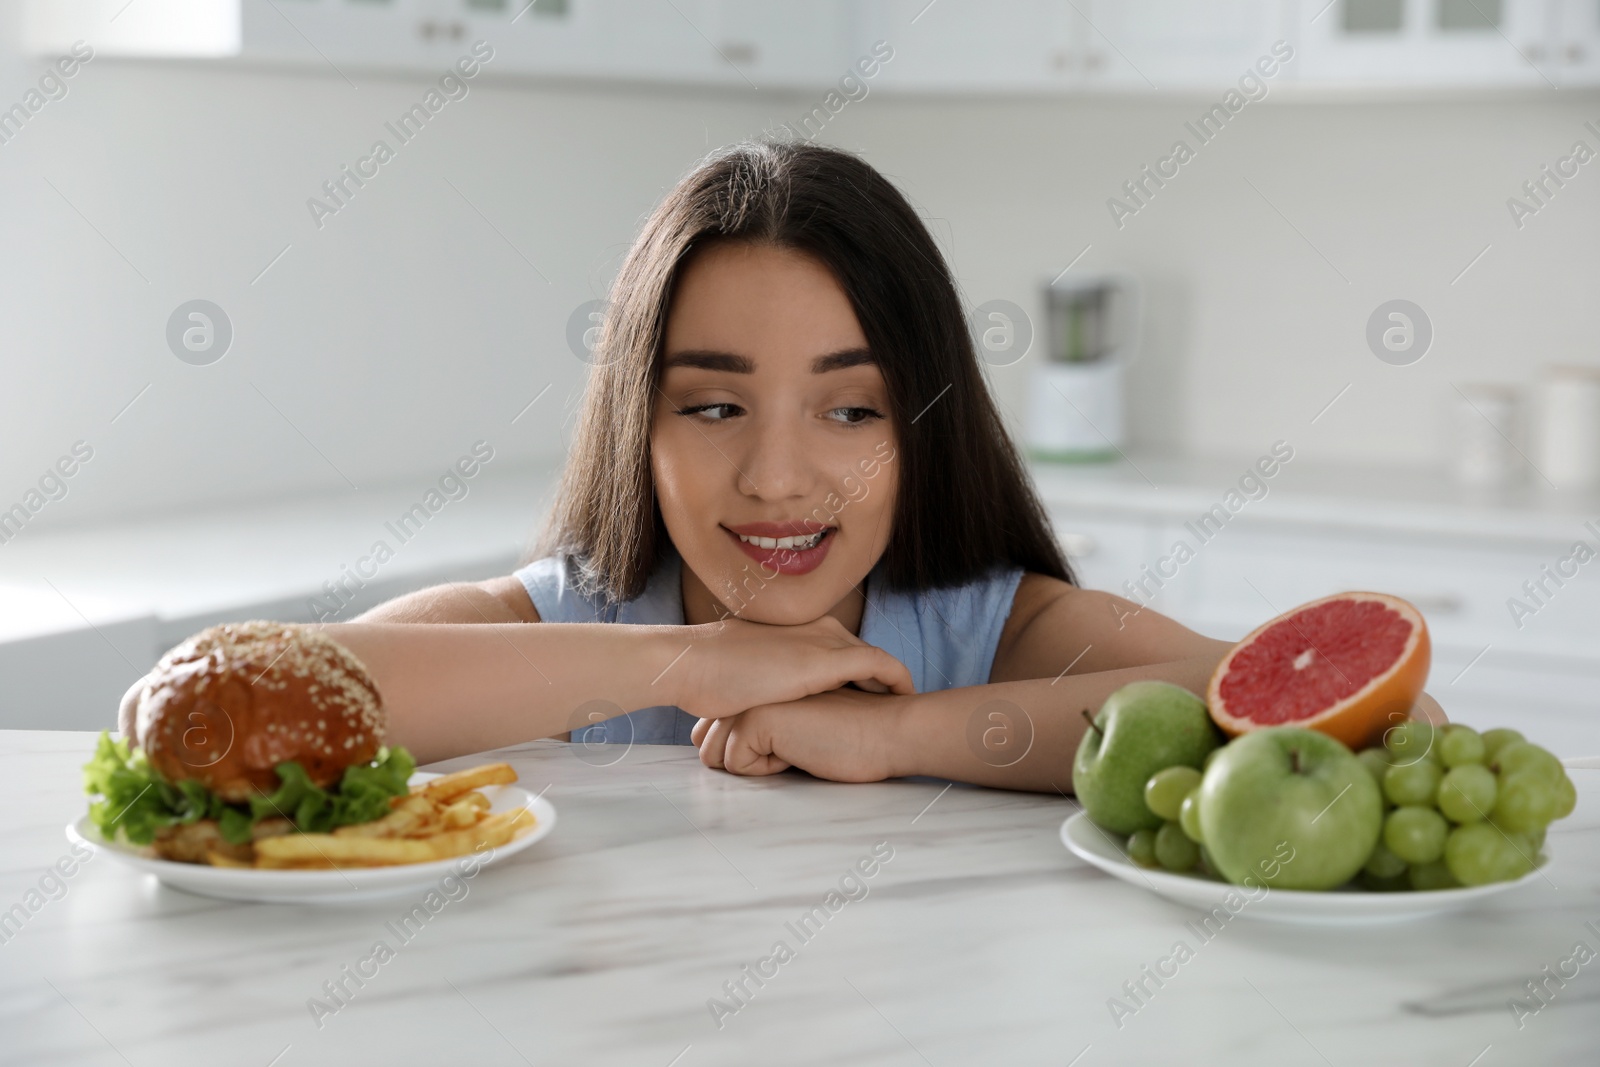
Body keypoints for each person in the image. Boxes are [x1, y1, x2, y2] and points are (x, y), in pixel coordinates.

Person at [118, 141, 1440, 791]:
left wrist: (901, 735)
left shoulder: (991, 628)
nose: (775, 479)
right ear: (638, 424)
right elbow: (237, 706)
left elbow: (1380, 720)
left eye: (851, 413)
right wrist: (679, 665)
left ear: (925, 426)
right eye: (711, 409)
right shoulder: (582, 615)